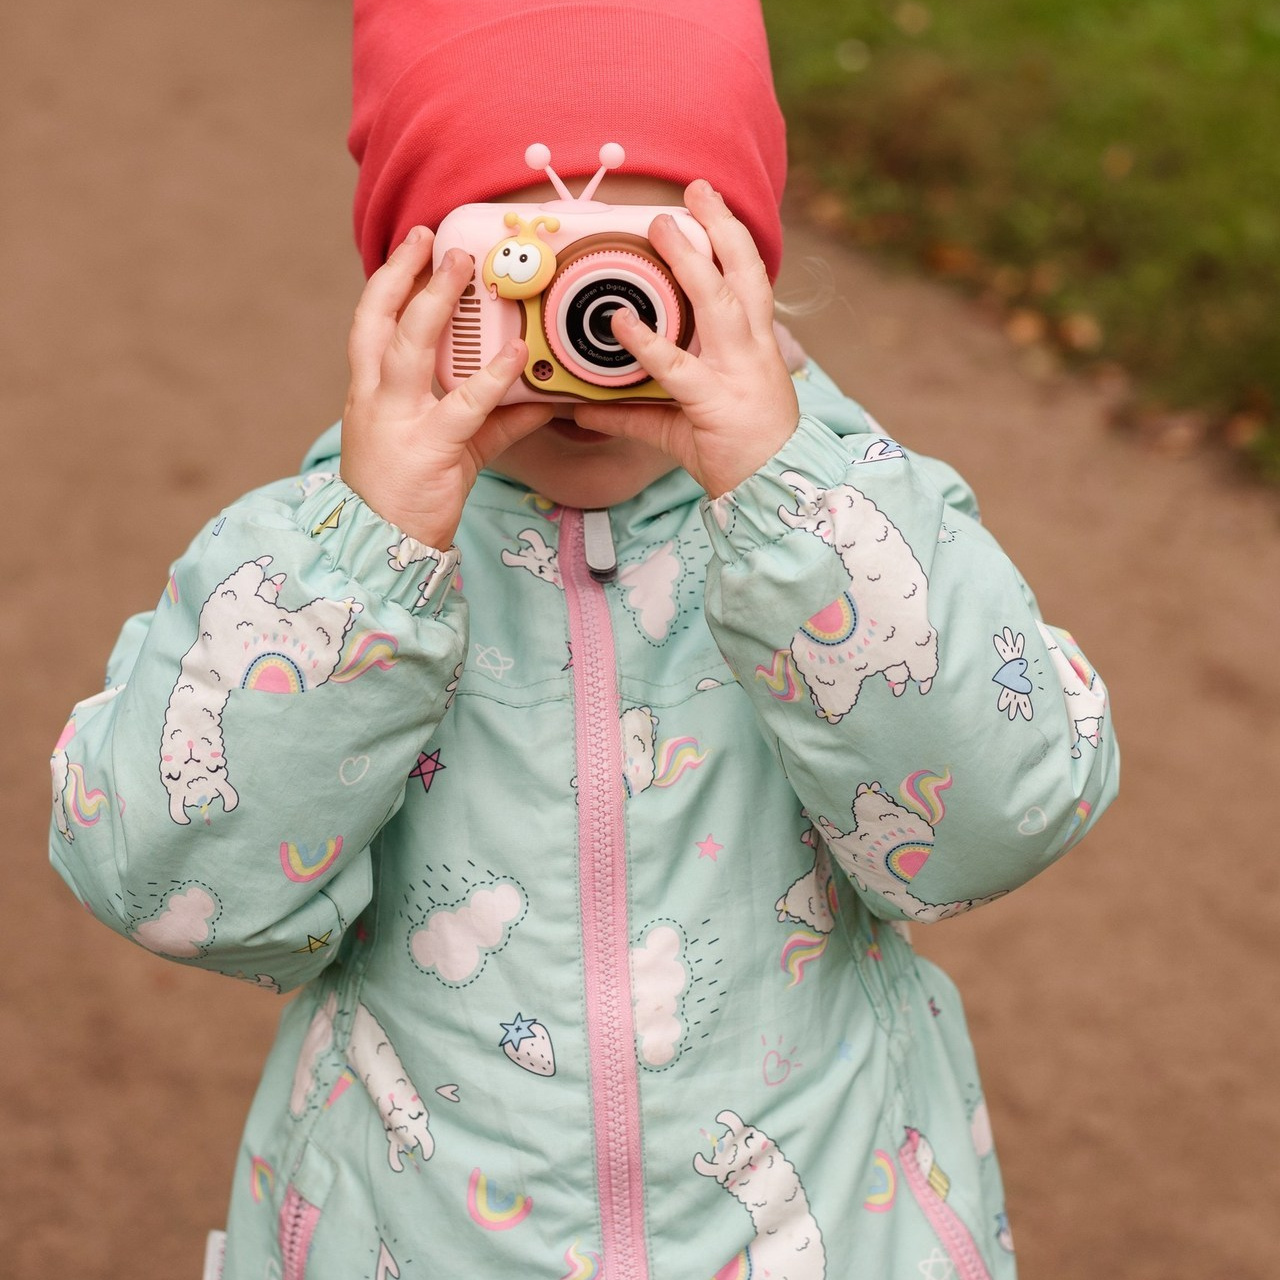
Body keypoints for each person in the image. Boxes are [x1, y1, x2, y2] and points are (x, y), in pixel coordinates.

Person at [49, 1, 1118, 1276]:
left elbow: (990, 822)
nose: (592, 325)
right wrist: (368, 556)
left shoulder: (851, 517)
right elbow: (170, 887)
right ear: (403, 277)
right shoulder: (313, 568)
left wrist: (791, 508)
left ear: (744, 267)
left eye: (639, 262)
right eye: (521, 261)